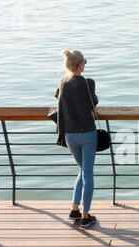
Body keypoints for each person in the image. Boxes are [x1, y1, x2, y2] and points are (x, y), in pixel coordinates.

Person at [54, 49, 98, 228]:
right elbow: (92, 102)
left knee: (82, 169)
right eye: (84, 62)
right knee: (88, 173)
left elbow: (59, 98)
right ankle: (86, 216)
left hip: (70, 134)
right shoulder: (88, 83)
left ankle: (74, 209)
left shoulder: (63, 82)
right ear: (80, 65)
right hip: (87, 133)